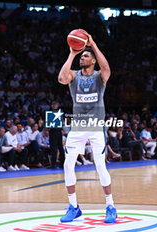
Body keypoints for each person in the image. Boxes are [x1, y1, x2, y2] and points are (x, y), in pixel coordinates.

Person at [57, 31, 116, 223]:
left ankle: (110, 206)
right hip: (78, 127)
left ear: (93, 61)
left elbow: (107, 67)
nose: (83, 57)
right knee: (67, 165)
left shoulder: (100, 76)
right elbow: (61, 78)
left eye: (85, 55)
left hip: (97, 126)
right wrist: (72, 53)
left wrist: (93, 44)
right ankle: (73, 207)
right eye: (82, 55)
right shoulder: (74, 76)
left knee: (100, 166)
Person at [48, 101, 65, 169]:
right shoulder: (60, 113)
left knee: (54, 148)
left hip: (53, 131)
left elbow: (48, 124)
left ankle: (53, 164)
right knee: (60, 147)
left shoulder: (50, 113)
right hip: (59, 131)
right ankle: (62, 163)